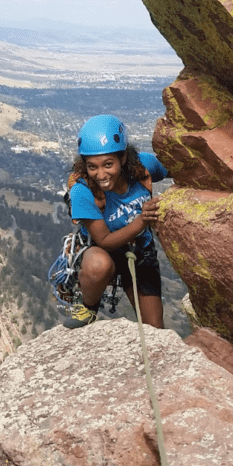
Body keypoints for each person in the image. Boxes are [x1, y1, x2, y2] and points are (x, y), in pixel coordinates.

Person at [64, 114, 168, 330]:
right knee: (98, 265)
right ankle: (88, 307)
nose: (101, 174)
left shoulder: (142, 167)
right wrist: (142, 221)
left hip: (140, 252)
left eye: (108, 164)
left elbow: (177, 168)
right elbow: (104, 240)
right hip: (103, 250)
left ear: (122, 159)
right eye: (92, 166)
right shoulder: (83, 190)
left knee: (155, 329)